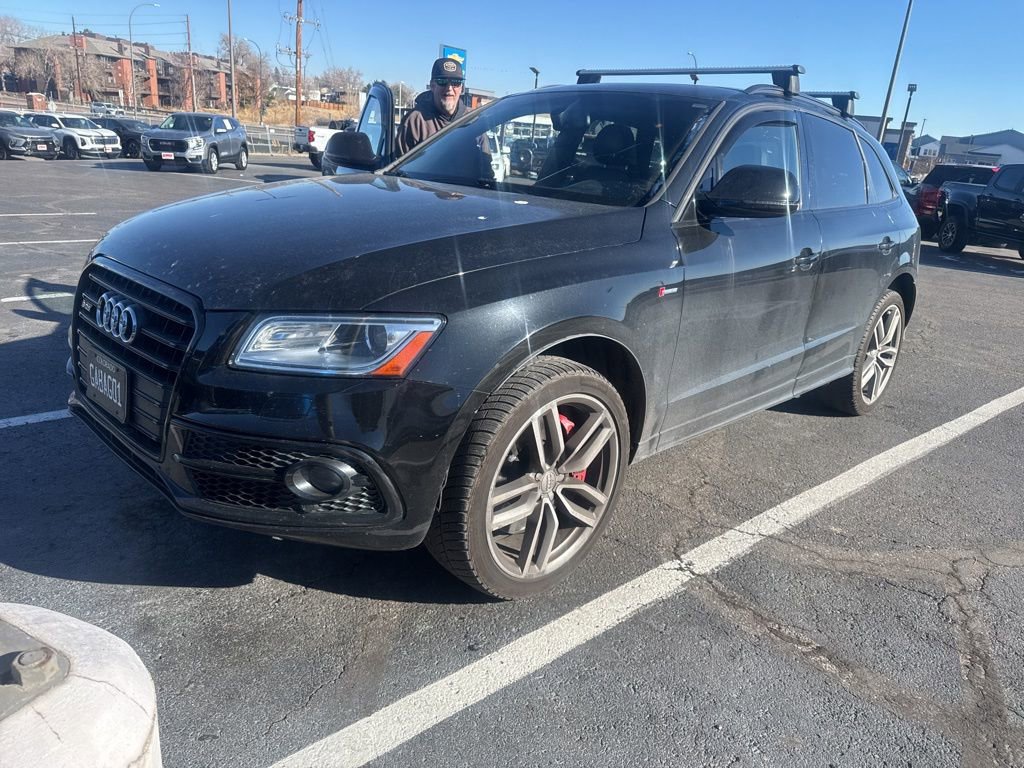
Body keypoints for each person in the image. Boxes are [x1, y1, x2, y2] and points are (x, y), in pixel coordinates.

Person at [395, 57, 468, 156]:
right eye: (442, 81)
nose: (449, 88)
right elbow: (399, 167)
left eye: (456, 82)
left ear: (462, 88)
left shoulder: (473, 121)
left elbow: (485, 168)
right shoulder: (414, 121)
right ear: (432, 86)